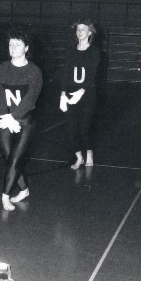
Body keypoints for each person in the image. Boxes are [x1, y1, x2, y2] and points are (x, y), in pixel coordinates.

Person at [0, 28, 42, 211]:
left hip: (25, 120)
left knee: (15, 161)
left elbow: (30, 99)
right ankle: (24, 189)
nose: (13, 47)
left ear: (26, 47)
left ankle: (5, 196)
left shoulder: (34, 71)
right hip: (5, 119)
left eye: (18, 44)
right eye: (11, 44)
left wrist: (15, 117)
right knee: (9, 159)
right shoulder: (1, 69)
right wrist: (6, 117)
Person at [60, 18, 101, 169]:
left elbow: (92, 74)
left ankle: (89, 153)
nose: (80, 32)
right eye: (78, 29)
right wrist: (63, 93)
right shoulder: (71, 50)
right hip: (71, 93)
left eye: (83, 29)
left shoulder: (94, 51)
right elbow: (66, 72)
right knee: (70, 127)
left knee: (85, 126)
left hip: (87, 94)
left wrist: (81, 91)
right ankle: (79, 157)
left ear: (90, 32)